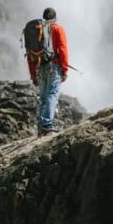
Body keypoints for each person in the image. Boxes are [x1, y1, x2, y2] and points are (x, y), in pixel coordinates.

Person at [27, 7, 69, 136]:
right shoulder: (57, 28)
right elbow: (62, 48)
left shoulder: (37, 30)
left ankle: (41, 127)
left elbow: (29, 54)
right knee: (53, 94)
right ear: (55, 18)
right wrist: (65, 69)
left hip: (40, 67)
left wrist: (33, 74)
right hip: (53, 66)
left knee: (44, 97)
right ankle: (47, 124)